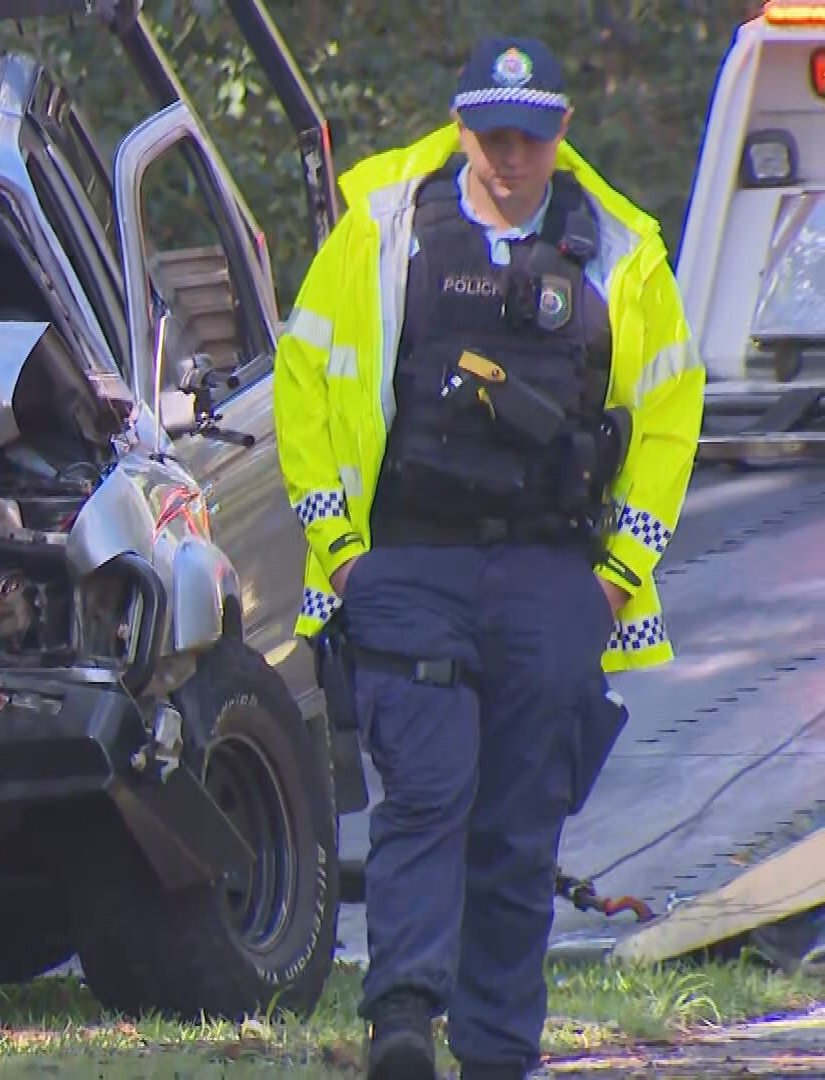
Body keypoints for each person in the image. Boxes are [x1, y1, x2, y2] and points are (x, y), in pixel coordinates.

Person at [272, 34, 704, 1080]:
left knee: (518, 827)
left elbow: (666, 417)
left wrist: (614, 582)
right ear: (462, 126)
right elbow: (306, 385)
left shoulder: (619, 250)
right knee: (426, 794)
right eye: (493, 134)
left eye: (532, 136)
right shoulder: (382, 231)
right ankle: (405, 1021)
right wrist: (338, 553)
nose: (511, 157)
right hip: (408, 565)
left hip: (554, 576)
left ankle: (500, 1051)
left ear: (561, 133)